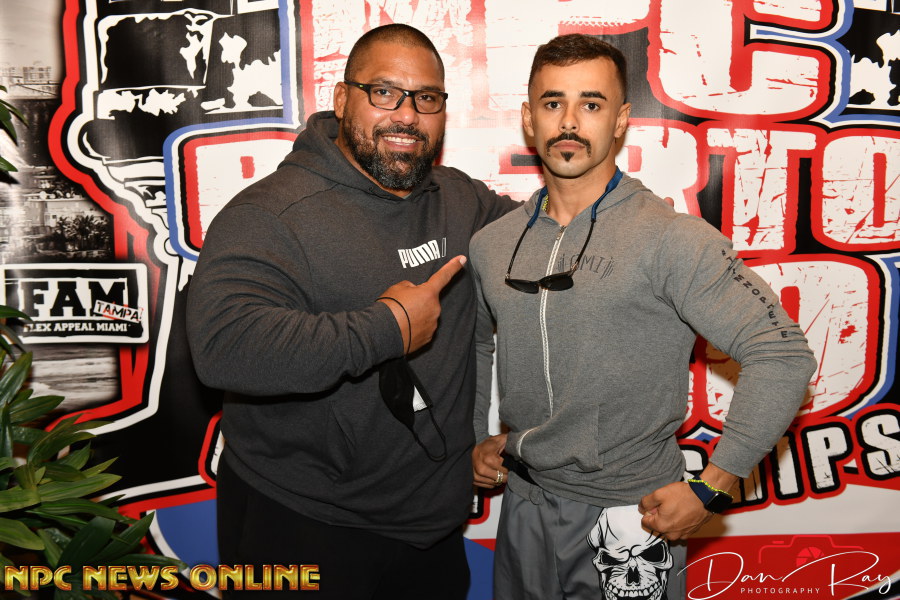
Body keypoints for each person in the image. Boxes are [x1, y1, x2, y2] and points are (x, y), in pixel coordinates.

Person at [469, 34, 817, 600]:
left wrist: (714, 485)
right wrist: (476, 439)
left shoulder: (671, 239)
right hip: (524, 504)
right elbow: (475, 345)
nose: (569, 121)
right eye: (553, 103)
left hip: (632, 516)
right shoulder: (493, 243)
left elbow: (781, 355)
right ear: (529, 119)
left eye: (591, 103)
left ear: (621, 119)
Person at [186, 24, 517, 599]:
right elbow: (224, 346)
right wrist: (387, 328)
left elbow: (548, 230)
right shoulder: (271, 213)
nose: (407, 115)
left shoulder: (459, 199)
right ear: (342, 99)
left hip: (432, 527)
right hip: (303, 523)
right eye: (384, 93)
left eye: (426, 98)